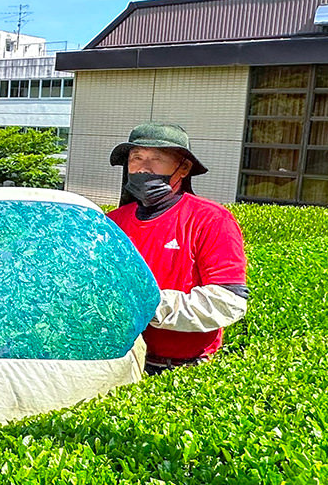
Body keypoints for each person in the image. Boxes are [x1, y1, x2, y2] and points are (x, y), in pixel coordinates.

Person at [105, 123, 248, 376]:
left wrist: (149, 305)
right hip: (120, 366)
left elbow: (230, 302)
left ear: (183, 168)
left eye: (156, 159)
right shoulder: (112, 222)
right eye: (136, 158)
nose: (143, 168)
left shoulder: (211, 220)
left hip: (185, 371)